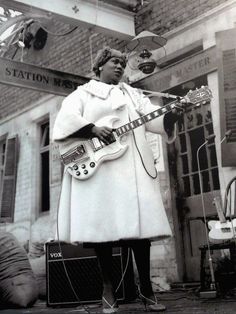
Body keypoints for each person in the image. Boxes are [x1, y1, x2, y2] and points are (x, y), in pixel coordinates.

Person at [52, 46, 181, 313]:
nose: (120, 66)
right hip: (103, 170)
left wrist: (173, 114)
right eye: (114, 62)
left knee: (140, 231)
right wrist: (93, 129)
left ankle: (147, 292)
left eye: (123, 63)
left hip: (133, 167)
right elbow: (65, 120)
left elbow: (152, 121)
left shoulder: (133, 95)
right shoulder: (83, 93)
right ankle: (108, 291)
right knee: (103, 232)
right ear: (99, 66)